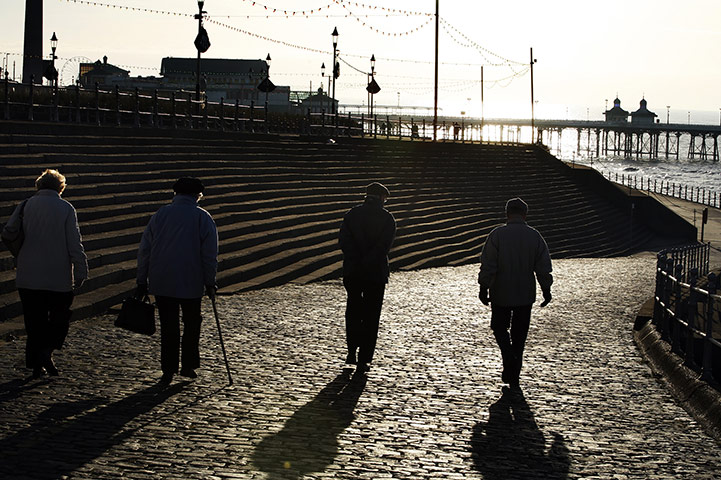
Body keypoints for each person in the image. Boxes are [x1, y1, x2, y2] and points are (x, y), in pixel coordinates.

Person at [3, 169, 88, 378]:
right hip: (58, 276)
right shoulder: (66, 208)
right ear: (60, 187)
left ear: (39, 185)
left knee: (34, 321)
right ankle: (46, 352)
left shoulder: (26, 204)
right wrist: (80, 268)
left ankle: (36, 364)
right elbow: (74, 242)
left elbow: (8, 231)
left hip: (29, 274)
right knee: (59, 319)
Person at [136, 177, 218, 385]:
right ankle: (188, 364)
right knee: (192, 323)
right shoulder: (202, 217)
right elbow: (209, 255)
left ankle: (168, 368)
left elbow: (145, 249)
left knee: (169, 325)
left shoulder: (160, 215)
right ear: (198, 195)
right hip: (191, 280)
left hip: (162, 279)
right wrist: (210, 282)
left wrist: (141, 279)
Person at [478, 197, 553, 390]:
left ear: (507, 213)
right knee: (520, 334)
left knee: (499, 328)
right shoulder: (534, 236)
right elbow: (543, 267)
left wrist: (483, 286)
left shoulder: (497, 235)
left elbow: (488, 264)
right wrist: (546, 289)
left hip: (501, 292)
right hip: (524, 293)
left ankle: (508, 356)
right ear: (525, 214)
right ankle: (514, 370)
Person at [338, 182, 396, 373]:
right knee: (372, 315)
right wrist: (369, 261)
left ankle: (351, 351)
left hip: (353, 271)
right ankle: (364, 357)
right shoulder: (387, 218)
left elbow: (344, 241)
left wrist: (357, 259)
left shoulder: (352, 214)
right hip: (375, 273)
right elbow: (383, 246)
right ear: (381, 198)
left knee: (353, 311)